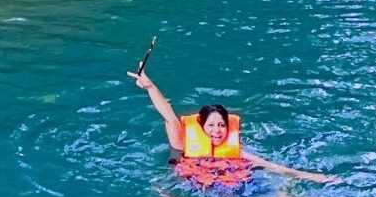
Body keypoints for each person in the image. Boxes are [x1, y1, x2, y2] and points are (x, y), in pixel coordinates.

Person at [129, 65, 339, 190]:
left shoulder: (236, 152)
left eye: (221, 125)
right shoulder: (182, 145)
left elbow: (273, 167)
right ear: (201, 126)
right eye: (211, 125)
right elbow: (169, 116)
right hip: (205, 192)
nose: (217, 130)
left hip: (240, 189)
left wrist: (312, 177)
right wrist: (150, 87)